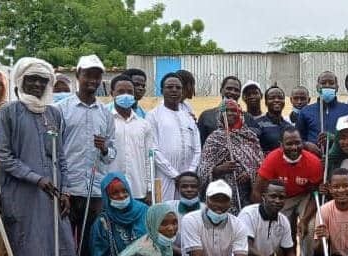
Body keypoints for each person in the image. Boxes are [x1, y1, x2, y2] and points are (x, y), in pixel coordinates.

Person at [0, 57, 85, 256]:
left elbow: (61, 157)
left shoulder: (53, 113)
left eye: (42, 80)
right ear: (20, 81)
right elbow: (5, 158)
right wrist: (37, 178)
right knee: (31, 251)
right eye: (31, 79)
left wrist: (65, 189)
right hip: (24, 196)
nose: (36, 84)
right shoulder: (9, 113)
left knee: (62, 247)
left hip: (54, 194)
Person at [58, 55, 116, 256]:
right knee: (65, 242)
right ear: (77, 76)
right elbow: (54, 150)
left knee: (90, 244)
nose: (92, 80)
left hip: (94, 190)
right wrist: (62, 186)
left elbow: (112, 154)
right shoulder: (61, 109)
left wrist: (104, 150)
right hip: (67, 188)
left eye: (97, 76)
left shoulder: (105, 114)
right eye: (88, 74)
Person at [253, 127, 323, 244]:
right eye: (289, 144)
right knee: (280, 229)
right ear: (281, 145)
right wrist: (265, 214)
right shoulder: (272, 159)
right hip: (281, 198)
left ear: (302, 142)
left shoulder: (314, 162)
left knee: (311, 227)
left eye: (297, 143)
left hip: (304, 196)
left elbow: (316, 194)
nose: (294, 147)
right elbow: (257, 191)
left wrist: (304, 220)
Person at [197, 99, 263, 214]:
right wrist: (218, 169)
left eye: (234, 110)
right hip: (222, 194)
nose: (231, 113)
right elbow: (202, 170)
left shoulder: (250, 137)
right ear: (220, 114)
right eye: (227, 111)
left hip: (247, 194)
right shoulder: (214, 138)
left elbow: (261, 163)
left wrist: (250, 172)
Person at [147, 72, 201, 202]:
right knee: (165, 213)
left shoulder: (188, 116)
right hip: (164, 176)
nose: (174, 90)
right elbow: (153, 149)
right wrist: (174, 174)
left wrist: (190, 173)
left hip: (188, 178)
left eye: (178, 87)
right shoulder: (153, 115)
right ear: (162, 90)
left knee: (187, 212)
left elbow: (197, 148)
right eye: (169, 87)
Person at [237, 180, 298, 256]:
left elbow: (289, 251)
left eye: (281, 197)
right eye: (273, 196)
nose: (277, 200)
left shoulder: (283, 221)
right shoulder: (249, 214)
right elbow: (248, 249)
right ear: (264, 196)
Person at [90, 173, 149, 256]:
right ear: (107, 196)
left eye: (124, 191)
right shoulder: (103, 222)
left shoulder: (145, 212)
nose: (121, 196)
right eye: (115, 193)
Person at [107, 74, 155, 204]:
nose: (126, 95)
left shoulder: (143, 124)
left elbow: (148, 159)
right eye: (121, 92)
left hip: (138, 190)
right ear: (112, 93)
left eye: (130, 92)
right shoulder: (105, 121)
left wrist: (150, 190)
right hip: (111, 190)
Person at [296, 71, 348, 152]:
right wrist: (306, 145)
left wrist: (334, 138)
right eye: (323, 83)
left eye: (331, 83)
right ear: (317, 87)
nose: (327, 86)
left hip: (341, 161)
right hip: (313, 160)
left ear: (337, 87)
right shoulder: (305, 111)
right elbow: (297, 138)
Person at [197, 75, 261, 145]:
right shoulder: (206, 116)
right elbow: (199, 145)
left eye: (236, 90)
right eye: (229, 89)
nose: (233, 92)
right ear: (221, 90)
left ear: (240, 94)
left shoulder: (248, 118)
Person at [164, 171, 203, 256]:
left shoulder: (206, 210)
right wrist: (179, 251)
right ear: (177, 188)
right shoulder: (168, 207)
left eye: (193, 186)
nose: (189, 189)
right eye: (184, 186)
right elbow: (158, 236)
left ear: (199, 188)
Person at [255, 86, 294, 154]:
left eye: (280, 98)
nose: (276, 100)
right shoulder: (257, 124)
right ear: (266, 103)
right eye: (272, 98)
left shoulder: (289, 127)